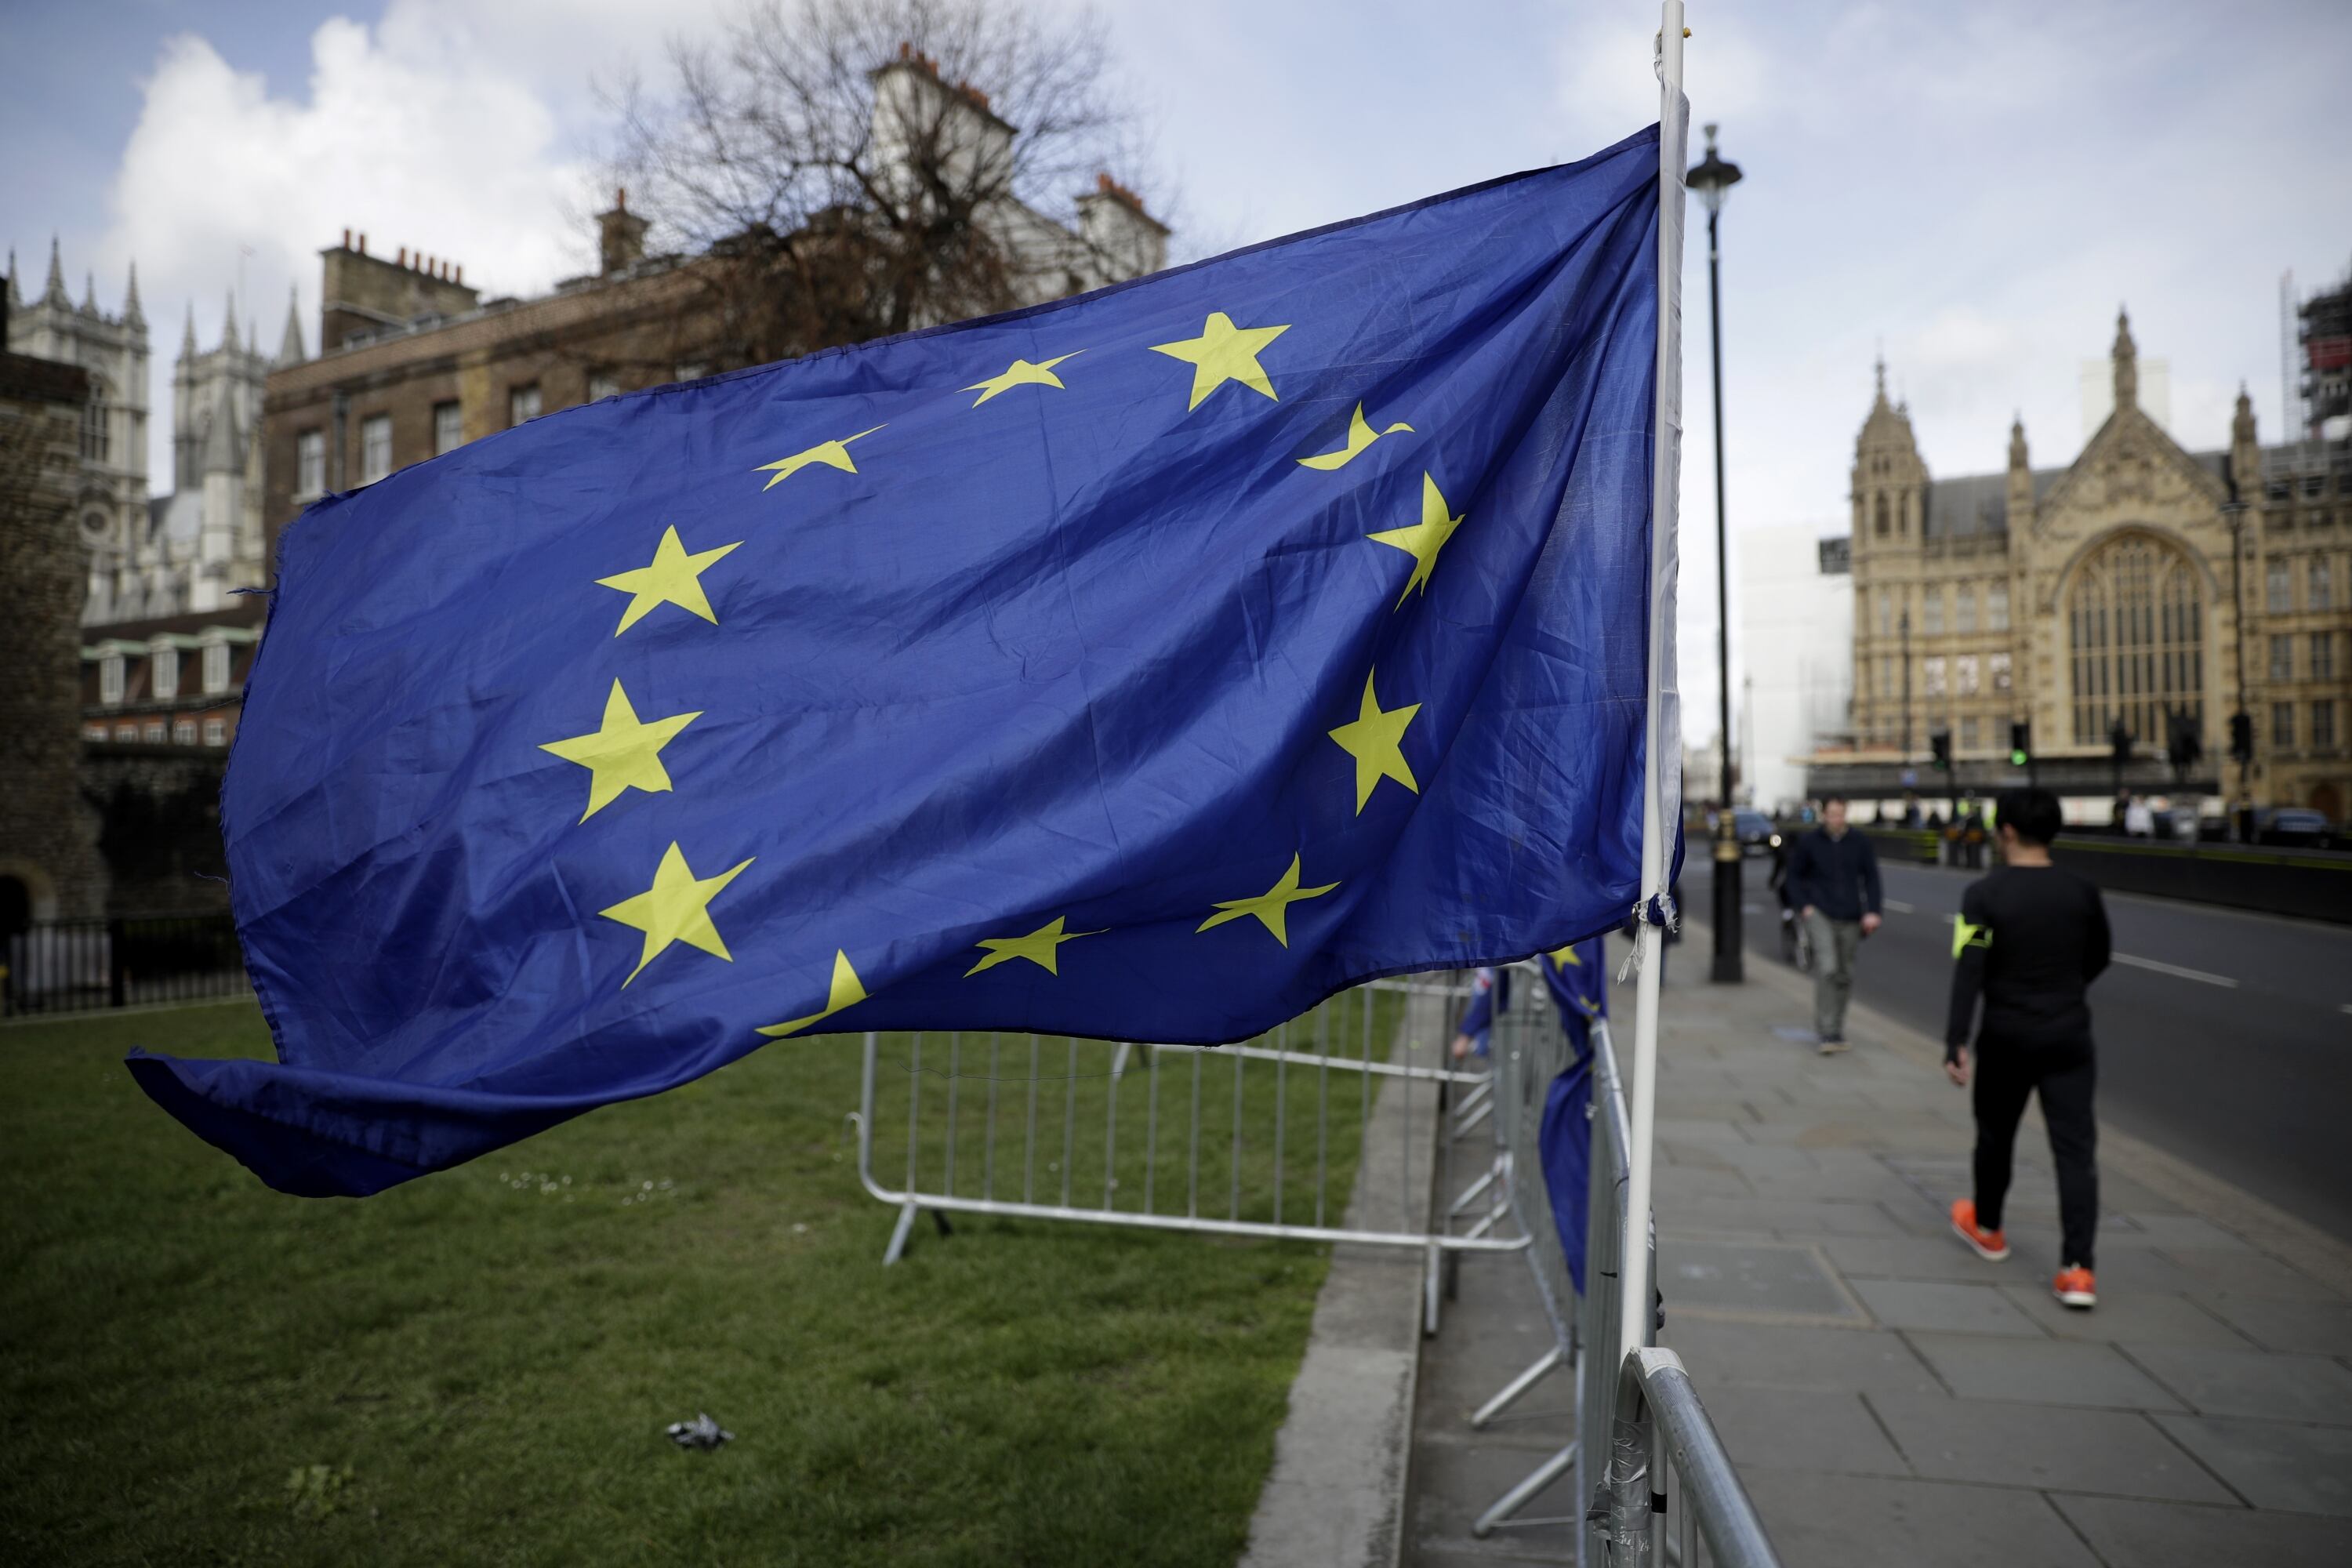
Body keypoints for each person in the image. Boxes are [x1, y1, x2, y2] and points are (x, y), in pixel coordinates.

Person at [1944, 786, 2112, 1310]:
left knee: (1995, 1136)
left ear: (2007, 832)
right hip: (2068, 1035)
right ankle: (2078, 1269)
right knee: (2076, 1153)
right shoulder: (2082, 892)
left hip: (2006, 1034)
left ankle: (1989, 1227)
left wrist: (1956, 1040)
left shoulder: (1983, 896)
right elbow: (2099, 956)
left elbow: (1968, 969)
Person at [1784, 797, 1882, 1051]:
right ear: (1823, 815)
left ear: (1846, 814)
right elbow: (1793, 876)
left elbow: (1871, 878)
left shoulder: (1859, 843)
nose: (1836, 820)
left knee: (1844, 974)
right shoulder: (1810, 843)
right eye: (1831, 814)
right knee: (1827, 967)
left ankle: (1837, 1028)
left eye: (1840, 814)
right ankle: (1826, 1030)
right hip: (1820, 913)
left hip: (1851, 915)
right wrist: (1804, 906)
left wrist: (1873, 911)